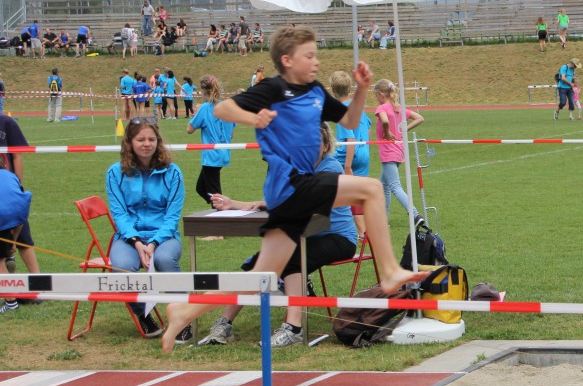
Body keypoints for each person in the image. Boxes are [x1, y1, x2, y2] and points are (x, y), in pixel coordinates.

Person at [160, 26, 428, 351]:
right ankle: (389, 271)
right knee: (371, 188)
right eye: (309, 56)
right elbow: (222, 109)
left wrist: (360, 90)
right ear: (287, 60)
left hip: (293, 193)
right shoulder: (274, 88)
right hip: (290, 183)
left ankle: (184, 311)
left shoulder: (314, 91)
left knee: (259, 277)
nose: (316, 62)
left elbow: (348, 121)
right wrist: (254, 118)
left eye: (317, 55)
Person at [202, 123, 360, 348]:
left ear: (325, 145)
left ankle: (294, 329)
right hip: (304, 237)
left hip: (338, 238)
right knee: (258, 264)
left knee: (291, 259)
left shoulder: (331, 167)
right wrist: (233, 204)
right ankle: (224, 324)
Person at [107, 120, 187, 340]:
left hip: (164, 236)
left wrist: (153, 243)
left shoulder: (173, 172)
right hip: (129, 237)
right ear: (129, 142)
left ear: (158, 142)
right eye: (140, 139)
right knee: (121, 267)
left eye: (151, 139)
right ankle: (143, 314)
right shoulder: (114, 173)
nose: (146, 144)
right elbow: (119, 214)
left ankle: (182, 319)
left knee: (164, 259)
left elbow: (172, 217)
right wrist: (136, 242)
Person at [0, 112, 42, 298]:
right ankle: (9, 284)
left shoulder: (6, 122)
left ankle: (38, 284)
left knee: (24, 239)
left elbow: (17, 155)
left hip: (7, 188)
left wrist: (17, 184)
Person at [373, 78, 425, 224]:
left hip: (388, 152)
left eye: (376, 96)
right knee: (384, 185)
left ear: (381, 95)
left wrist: (386, 131)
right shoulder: (398, 108)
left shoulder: (382, 108)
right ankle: (384, 219)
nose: (376, 99)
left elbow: (384, 121)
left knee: (395, 187)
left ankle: (415, 214)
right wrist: (404, 129)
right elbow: (419, 118)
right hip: (398, 151)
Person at [329, 70, 371, 237]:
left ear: (332, 89)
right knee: (357, 194)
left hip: (346, 157)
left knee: (322, 181)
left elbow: (350, 139)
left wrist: (347, 166)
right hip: (363, 154)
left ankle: (338, 226)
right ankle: (363, 231)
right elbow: (368, 129)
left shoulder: (341, 111)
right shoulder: (358, 108)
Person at [187, 74, 234, 217]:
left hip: (211, 155)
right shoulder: (227, 107)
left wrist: (195, 115)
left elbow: (189, 129)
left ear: (203, 91)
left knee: (214, 193)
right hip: (223, 153)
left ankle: (221, 219)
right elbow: (231, 133)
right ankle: (220, 208)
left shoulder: (205, 108)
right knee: (201, 188)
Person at [0, 168, 31, 313]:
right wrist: (13, 242)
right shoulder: (10, 175)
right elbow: (21, 213)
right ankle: (8, 258)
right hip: (18, 212)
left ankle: (11, 302)